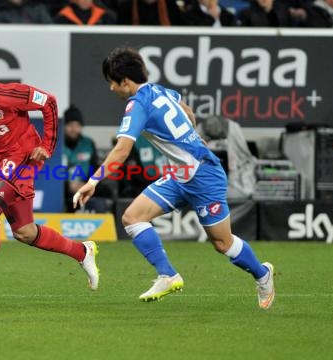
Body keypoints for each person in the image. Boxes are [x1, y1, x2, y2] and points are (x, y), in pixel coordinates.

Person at [73, 47, 275, 309]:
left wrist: (93, 181)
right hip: (179, 177)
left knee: (222, 243)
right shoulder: (159, 90)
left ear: (125, 81)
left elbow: (122, 150)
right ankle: (167, 274)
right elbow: (187, 110)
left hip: (204, 176)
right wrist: (192, 135)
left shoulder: (137, 104)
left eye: (112, 82)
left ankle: (262, 274)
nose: (111, 88)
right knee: (132, 217)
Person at [0, 59, 99, 308]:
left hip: (24, 157)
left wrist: (46, 146)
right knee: (25, 232)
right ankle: (82, 252)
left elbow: (49, 102)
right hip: (2, 165)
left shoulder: (6, 93)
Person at [63, 104, 110, 213]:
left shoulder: (88, 143)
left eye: (77, 125)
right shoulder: (56, 144)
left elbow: (94, 168)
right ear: (64, 126)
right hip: (63, 187)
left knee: (106, 191)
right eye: (70, 125)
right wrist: (68, 185)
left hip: (85, 183)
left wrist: (87, 183)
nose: (73, 129)